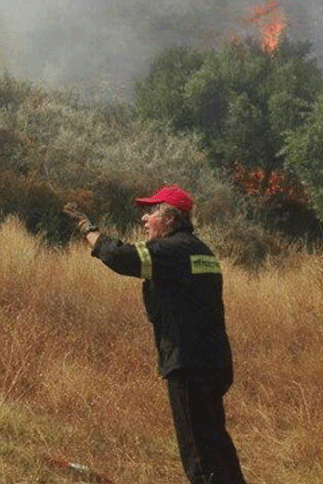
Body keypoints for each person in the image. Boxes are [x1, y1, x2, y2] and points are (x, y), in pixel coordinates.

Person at [62, 185, 246, 484]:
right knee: (218, 446)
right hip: (215, 363)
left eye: (151, 212)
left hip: (189, 364)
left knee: (199, 454)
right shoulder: (202, 251)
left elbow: (121, 257)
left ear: (169, 218)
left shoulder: (171, 251)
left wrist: (87, 229)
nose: (145, 219)